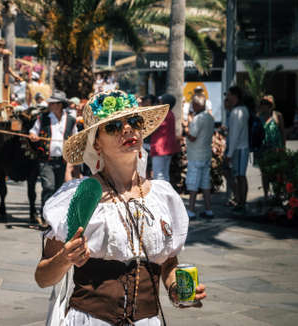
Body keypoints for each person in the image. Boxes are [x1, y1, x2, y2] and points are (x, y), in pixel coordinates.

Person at [35, 90, 206, 325]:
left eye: (134, 122)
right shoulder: (81, 196)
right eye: (114, 126)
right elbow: (43, 278)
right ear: (96, 142)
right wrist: (65, 258)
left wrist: (176, 289)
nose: (128, 129)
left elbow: (167, 264)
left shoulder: (163, 197)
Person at [29, 90, 77, 226]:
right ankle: (46, 218)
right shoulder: (42, 118)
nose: (50, 105)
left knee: (58, 189)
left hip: (62, 160)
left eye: (53, 103)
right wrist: (33, 136)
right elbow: (33, 131)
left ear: (60, 105)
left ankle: (54, 218)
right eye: (50, 103)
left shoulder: (71, 120)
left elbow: (75, 136)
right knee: (48, 187)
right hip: (46, 160)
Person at [184, 94, 215, 219]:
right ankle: (208, 210)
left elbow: (192, 136)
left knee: (193, 184)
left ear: (197, 105)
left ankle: (191, 210)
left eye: (193, 104)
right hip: (206, 154)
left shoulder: (198, 119)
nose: (191, 106)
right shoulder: (209, 117)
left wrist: (185, 128)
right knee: (205, 183)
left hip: (196, 155)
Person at [225, 86, 249, 214]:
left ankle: (241, 203)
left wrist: (229, 154)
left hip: (239, 149)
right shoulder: (243, 110)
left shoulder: (237, 112)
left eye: (229, 95)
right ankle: (241, 202)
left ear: (235, 96)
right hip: (241, 148)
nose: (227, 97)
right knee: (240, 176)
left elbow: (234, 135)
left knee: (240, 177)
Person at [257, 95, 285, 201]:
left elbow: (282, 132)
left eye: (266, 104)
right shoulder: (259, 116)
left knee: (276, 171)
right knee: (264, 173)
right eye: (262, 104)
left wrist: (283, 147)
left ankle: (277, 193)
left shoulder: (278, 115)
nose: (263, 107)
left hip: (275, 148)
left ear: (270, 106)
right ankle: (266, 194)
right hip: (263, 149)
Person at [149, 94, 180, 181]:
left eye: (160, 102)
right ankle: (167, 193)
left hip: (160, 148)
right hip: (168, 148)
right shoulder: (171, 114)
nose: (158, 103)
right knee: (165, 174)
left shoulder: (162, 115)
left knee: (158, 175)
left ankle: (160, 194)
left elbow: (153, 127)